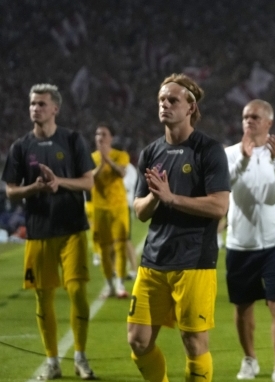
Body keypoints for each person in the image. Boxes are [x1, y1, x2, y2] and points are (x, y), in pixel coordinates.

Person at [127, 74, 230, 382]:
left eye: (173, 100)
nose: (165, 105)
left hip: (194, 262)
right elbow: (139, 211)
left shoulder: (209, 150)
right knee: (138, 340)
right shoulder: (150, 152)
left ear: (190, 107)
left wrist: (171, 198)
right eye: (161, 100)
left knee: (194, 343)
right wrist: (157, 200)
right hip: (153, 261)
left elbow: (219, 206)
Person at [1, 83, 97, 380]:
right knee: (43, 297)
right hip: (39, 231)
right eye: (32, 104)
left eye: (41, 104)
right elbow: (10, 191)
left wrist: (59, 183)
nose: (35, 109)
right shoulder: (20, 146)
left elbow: (88, 183)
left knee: (78, 291)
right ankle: (53, 361)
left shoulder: (72, 140)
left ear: (55, 108)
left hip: (71, 229)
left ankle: (80, 356)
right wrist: (36, 188)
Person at [224, 99, 275, 382]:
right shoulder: (230, 153)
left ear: (269, 122)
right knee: (242, 306)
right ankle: (250, 359)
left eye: (254, 117)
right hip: (240, 243)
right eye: (245, 116)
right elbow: (222, 185)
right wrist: (243, 160)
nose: (248, 121)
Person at [91, 123, 131, 298]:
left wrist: (107, 159)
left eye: (104, 134)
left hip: (119, 207)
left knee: (120, 247)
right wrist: (101, 163)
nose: (100, 137)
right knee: (104, 249)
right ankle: (109, 286)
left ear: (111, 138)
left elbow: (121, 173)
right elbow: (89, 178)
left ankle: (120, 285)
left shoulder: (120, 155)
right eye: (98, 134)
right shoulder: (91, 157)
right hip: (99, 208)